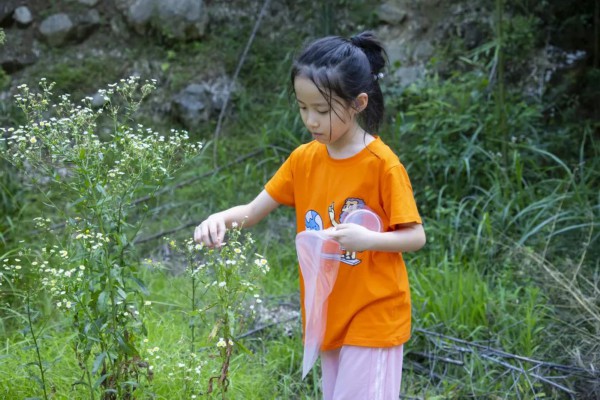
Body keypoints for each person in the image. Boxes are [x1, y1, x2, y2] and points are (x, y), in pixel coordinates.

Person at [194, 31, 425, 400]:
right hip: (328, 316)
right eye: (303, 108)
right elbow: (253, 211)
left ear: (358, 103)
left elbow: (415, 236)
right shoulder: (304, 159)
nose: (311, 120)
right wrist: (217, 218)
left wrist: (369, 240)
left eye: (322, 110)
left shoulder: (383, 166)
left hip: (374, 316)